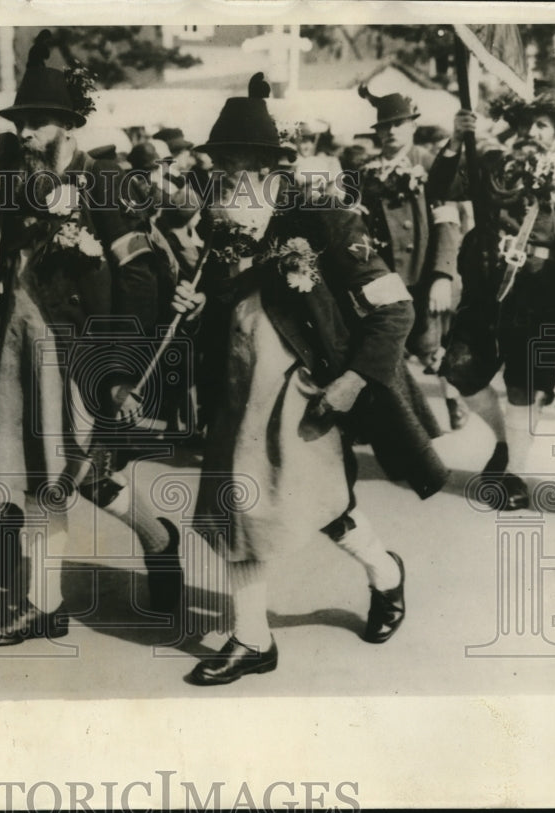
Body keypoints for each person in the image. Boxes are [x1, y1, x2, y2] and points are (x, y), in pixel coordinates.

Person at [186, 73, 447, 686]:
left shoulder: (322, 215)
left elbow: (394, 308)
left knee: (312, 502)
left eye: (237, 162)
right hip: (238, 382)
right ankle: (256, 636)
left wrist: (356, 378)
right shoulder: (219, 221)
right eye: (220, 163)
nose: (225, 174)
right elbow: (227, 294)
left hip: (306, 387)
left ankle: (381, 575)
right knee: (248, 502)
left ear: (272, 164)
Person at [0, 31, 188, 646]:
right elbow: (0, 257)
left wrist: (120, 370)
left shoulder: (107, 184)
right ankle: (50, 602)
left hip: (81, 353)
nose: (25, 135)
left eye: (36, 123)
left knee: (76, 474)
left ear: (68, 126)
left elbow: (140, 278)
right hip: (20, 348)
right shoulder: (18, 184)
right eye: (20, 125)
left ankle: (153, 541)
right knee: (52, 475)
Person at [433, 90, 555, 510]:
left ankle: (515, 473)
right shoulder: (494, 165)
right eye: (527, 123)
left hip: (542, 296)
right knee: (460, 373)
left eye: (542, 125)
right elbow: (444, 187)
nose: (531, 132)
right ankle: (503, 443)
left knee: (525, 386)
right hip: (487, 291)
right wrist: (454, 142)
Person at [355, 86, 467, 431]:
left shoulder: (430, 164)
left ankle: (454, 397)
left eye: (398, 124)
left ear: (412, 126)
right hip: (384, 278)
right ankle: (399, 428)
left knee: (429, 348)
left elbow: (448, 223)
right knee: (385, 351)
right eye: (384, 126)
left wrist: (442, 276)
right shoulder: (366, 172)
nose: (390, 132)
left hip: (421, 272)